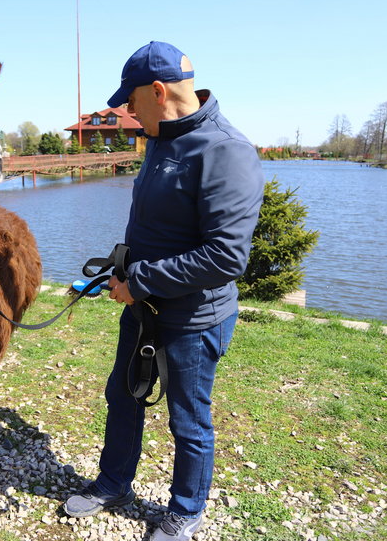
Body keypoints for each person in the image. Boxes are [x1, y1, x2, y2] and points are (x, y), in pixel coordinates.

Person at [63, 41, 265, 541]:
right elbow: (155, 226)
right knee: (123, 396)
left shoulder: (226, 151)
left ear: (158, 90)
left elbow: (226, 256)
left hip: (194, 319)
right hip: (142, 306)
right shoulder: (159, 139)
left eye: (131, 100)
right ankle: (113, 484)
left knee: (188, 419)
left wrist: (144, 281)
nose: (128, 112)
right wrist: (123, 267)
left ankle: (186, 509)